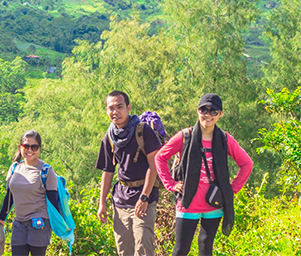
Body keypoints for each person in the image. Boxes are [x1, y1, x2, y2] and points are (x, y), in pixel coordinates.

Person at [155, 93, 253, 256]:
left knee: (206, 248)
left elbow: (247, 164)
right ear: (197, 111)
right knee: (181, 250)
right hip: (188, 204)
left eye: (213, 111)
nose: (208, 114)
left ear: (220, 114)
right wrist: (170, 184)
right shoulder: (185, 136)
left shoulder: (224, 139)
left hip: (213, 204)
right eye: (204, 110)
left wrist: (231, 189)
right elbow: (160, 157)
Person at [96, 90, 161, 256]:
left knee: (144, 249)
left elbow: (153, 166)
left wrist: (144, 197)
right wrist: (102, 202)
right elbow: (108, 171)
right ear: (106, 110)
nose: (115, 111)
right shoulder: (110, 137)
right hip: (121, 200)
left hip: (143, 197)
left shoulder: (143, 131)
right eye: (111, 108)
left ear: (128, 107)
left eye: (119, 107)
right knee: (124, 250)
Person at [0, 130, 60, 256]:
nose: (29, 150)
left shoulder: (46, 170)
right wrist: (1, 218)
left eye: (34, 147)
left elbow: (53, 202)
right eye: (26, 146)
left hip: (40, 223)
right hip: (19, 222)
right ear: (20, 147)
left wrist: (61, 224)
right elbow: (10, 196)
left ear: (39, 148)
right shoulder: (15, 168)